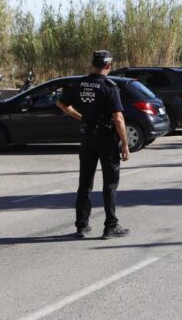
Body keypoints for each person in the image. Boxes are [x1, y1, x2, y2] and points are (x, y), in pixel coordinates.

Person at [57, 50, 131, 239]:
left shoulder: (81, 83)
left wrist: (80, 117)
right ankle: (110, 226)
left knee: (85, 183)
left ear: (93, 64)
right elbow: (118, 118)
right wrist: (124, 143)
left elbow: (62, 103)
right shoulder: (109, 86)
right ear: (108, 65)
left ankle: (82, 225)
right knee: (110, 184)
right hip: (106, 139)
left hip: (88, 138)